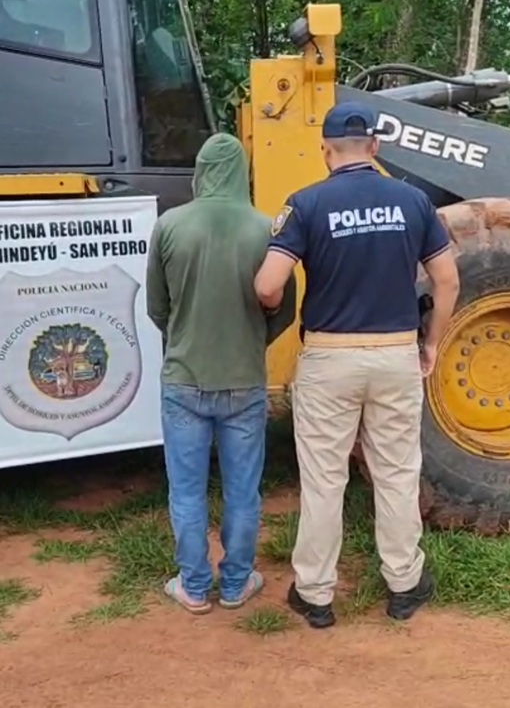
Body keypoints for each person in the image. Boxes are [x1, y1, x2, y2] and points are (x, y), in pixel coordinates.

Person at [254, 101, 460, 630]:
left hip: (329, 358)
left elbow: (267, 284)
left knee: (324, 481)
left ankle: (316, 594)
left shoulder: (306, 204)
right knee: (395, 473)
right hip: (394, 355)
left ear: (326, 150)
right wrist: (431, 344)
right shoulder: (413, 202)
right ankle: (404, 585)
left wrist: (273, 310)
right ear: (375, 147)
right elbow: (447, 281)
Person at [146, 132, 296, 615]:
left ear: (200, 171)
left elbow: (157, 308)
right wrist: (253, 342)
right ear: (241, 172)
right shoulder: (265, 229)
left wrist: (185, 337)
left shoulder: (169, 225)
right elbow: (285, 311)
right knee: (243, 490)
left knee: (186, 491)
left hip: (184, 379)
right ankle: (235, 584)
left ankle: (193, 586)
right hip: (244, 382)